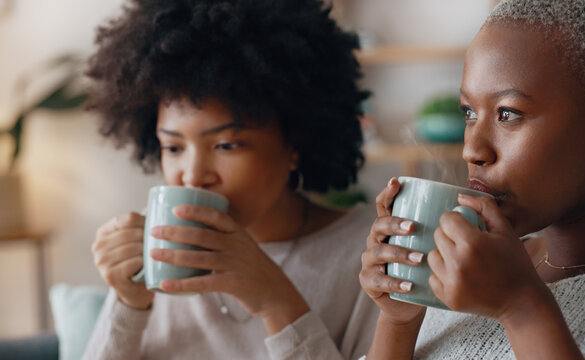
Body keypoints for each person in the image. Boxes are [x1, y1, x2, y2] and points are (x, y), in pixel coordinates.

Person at [359, 0, 585, 359]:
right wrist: (399, 321)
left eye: (508, 113)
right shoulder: (470, 262)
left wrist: (521, 308)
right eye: (468, 112)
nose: (472, 150)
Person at [83, 0, 378, 359]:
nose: (192, 175)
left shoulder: (370, 255)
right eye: (173, 147)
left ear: (295, 143)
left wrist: (276, 302)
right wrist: (128, 304)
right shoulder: (154, 254)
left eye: (226, 144)